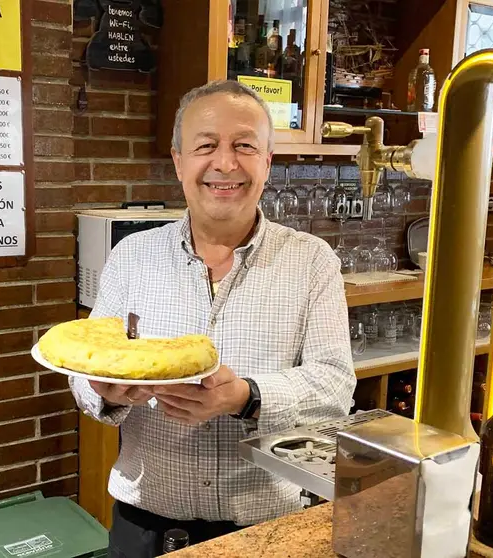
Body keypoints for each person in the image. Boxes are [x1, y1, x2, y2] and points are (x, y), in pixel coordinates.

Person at [69, 80, 355, 557]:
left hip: (266, 529)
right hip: (146, 529)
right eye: (206, 146)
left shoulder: (312, 261)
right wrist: (107, 391)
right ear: (179, 160)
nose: (225, 163)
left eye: (244, 145)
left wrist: (247, 396)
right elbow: (86, 367)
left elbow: (335, 387)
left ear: (267, 161)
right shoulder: (132, 257)